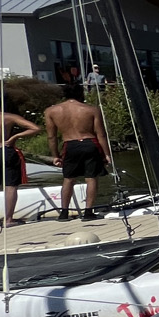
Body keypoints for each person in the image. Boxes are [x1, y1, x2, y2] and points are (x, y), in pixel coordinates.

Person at [43, 83, 110, 221]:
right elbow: (101, 134)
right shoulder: (91, 110)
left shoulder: (51, 111)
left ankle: (63, 213)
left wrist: (55, 155)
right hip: (90, 143)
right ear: (81, 93)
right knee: (91, 178)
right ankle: (88, 212)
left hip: (69, 144)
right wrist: (107, 154)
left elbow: (51, 136)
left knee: (68, 179)